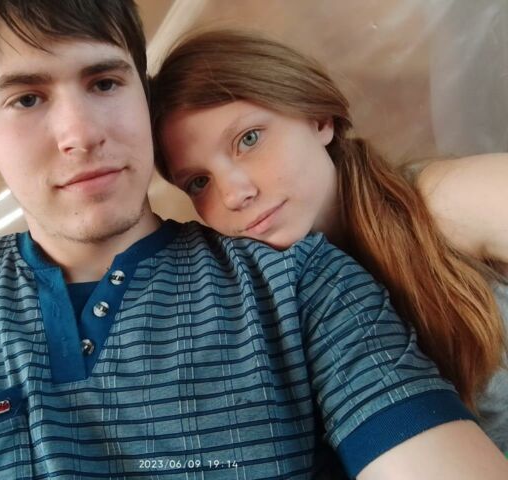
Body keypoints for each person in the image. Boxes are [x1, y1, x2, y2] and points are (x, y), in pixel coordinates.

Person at [0, 3, 508, 480]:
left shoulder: (299, 281)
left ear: (141, 95)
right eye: (26, 98)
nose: (80, 133)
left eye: (104, 83)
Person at [150, 30, 508, 451]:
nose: (233, 194)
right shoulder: (265, 315)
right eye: (198, 182)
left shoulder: (447, 201)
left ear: (319, 119)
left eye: (249, 139)